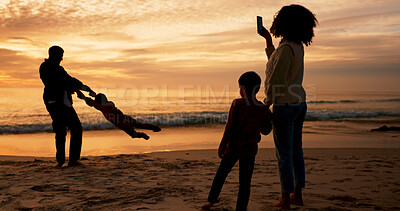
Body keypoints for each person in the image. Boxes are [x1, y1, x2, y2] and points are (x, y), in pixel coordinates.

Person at [258, 4, 318, 209]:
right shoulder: (296, 46)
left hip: (284, 105)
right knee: (296, 151)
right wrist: (267, 40)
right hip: (299, 103)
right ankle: (297, 195)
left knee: (283, 153)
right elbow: (276, 63)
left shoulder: (286, 49)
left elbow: (276, 79)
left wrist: (266, 103)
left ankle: (285, 198)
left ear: (282, 23)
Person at [202, 71, 272, 211]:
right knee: (245, 182)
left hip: (234, 147)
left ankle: (211, 201)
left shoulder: (238, 104)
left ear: (243, 89)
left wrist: (222, 146)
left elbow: (230, 127)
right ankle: (241, 208)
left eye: (240, 87)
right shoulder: (263, 109)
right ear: (257, 89)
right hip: (250, 150)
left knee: (221, 174)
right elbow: (266, 131)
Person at [39, 46, 96, 168]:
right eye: (60, 55)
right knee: (61, 131)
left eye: (62, 56)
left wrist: (85, 88)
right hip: (54, 103)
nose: (61, 58)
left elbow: (70, 80)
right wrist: (75, 88)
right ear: (53, 55)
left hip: (65, 103)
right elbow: (54, 83)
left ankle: (73, 160)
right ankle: (60, 161)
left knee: (76, 128)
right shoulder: (45, 67)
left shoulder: (60, 69)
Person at [77, 91, 161, 140]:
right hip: (124, 117)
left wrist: (78, 91)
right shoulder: (109, 103)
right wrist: (94, 96)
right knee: (139, 124)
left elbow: (85, 98)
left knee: (133, 134)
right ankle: (154, 127)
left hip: (120, 122)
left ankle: (142, 135)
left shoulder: (99, 105)